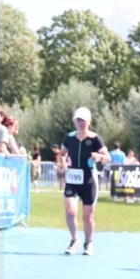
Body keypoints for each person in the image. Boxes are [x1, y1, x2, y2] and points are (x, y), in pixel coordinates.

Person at [60, 107, 110, 256]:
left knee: (87, 216)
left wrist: (99, 157)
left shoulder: (95, 139)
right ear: (75, 121)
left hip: (88, 180)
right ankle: (74, 239)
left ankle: (88, 242)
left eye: (83, 120)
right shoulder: (69, 137)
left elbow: (108, 158)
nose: (81, 123)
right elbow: (62, 153)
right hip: (72, 179)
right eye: (78, 120)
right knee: (70, 212)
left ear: (89, 121)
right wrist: (62, 162)